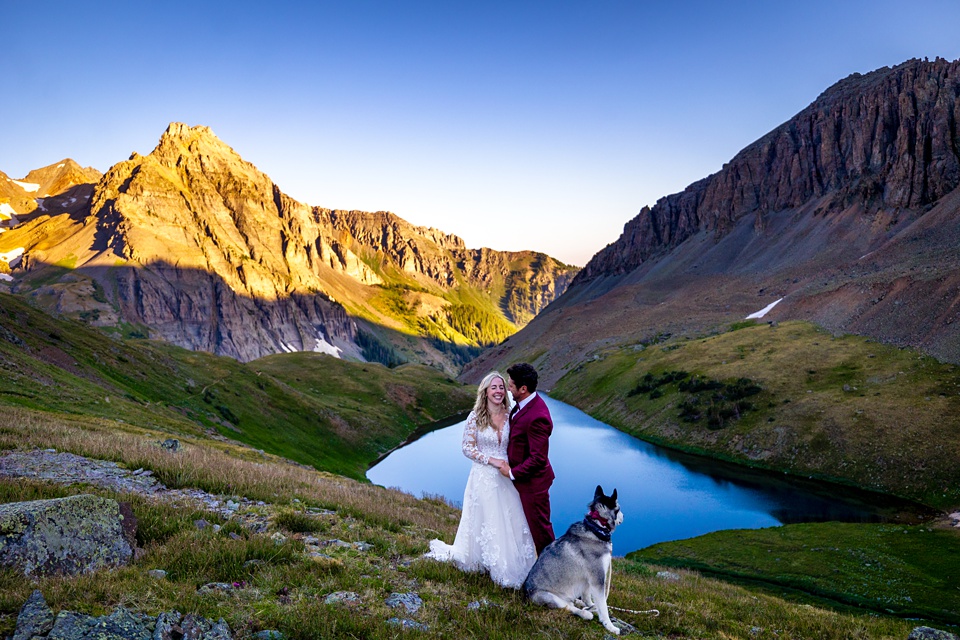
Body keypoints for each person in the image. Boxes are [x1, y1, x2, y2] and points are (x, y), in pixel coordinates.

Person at [425, 371, 537, 588]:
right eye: (493, 387)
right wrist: (491, 460)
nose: (498, 391)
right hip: (483, 476)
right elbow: (467, 448)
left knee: (512, 518)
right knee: (489, 520)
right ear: (485, 391)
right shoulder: (475, 416)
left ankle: (518, 565)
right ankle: (493, 565)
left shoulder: (511, 414)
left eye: (501, 387)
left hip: (507, 475)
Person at [499, 362, 556, 554]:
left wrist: (512, 472)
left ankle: (552, 567)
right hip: (524, 482)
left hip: (533, 485)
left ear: (523, 389)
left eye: (511, 386)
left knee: (540, 530)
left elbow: (538, 459)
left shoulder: (537, 416)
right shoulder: (523, 405)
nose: (508, 389)